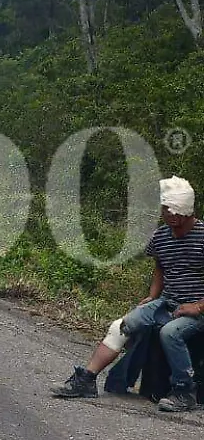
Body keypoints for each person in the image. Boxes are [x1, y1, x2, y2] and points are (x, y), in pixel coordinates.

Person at [53, 176, 204, 412]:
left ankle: (185, 391)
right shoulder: (162, 237)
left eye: (171, 210)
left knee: (170, 333)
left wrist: (197, 306)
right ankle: (87, 380)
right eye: (164, 209)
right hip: (168, 301)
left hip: (197, 307)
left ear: (184, 211)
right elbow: (160, 266)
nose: (167, 214)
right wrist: (153, 295)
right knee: (121, 325)